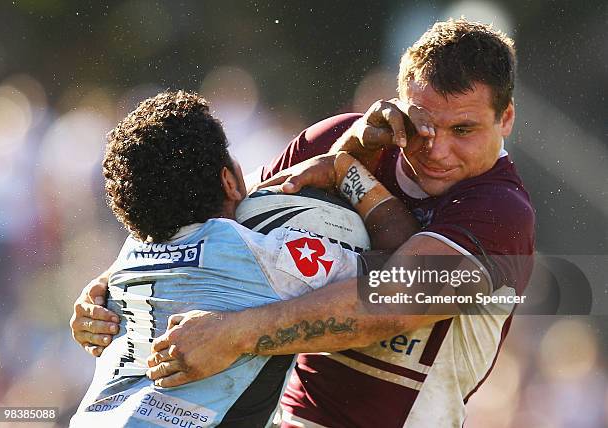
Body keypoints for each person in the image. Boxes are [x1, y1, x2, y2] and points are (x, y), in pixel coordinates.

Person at [72, 19, 535, 427]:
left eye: (464, 131)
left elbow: (393, 303)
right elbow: (215, 216)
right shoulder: (337, 137)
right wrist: (109, 288)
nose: (436, 150)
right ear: (401, 101)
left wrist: (236, 334)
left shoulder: (501, 211)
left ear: (507, 118)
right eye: (423, 126)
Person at [69, 90, 417, 427]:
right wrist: (346, 171)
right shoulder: (260, 255)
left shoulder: (124, 262)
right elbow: (418, 282)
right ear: (229, 182)